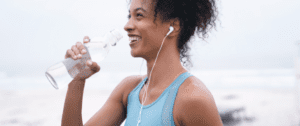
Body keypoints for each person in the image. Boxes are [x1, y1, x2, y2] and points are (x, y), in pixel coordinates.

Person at [61, 0, 223, 125]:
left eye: (139, 15)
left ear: (173, 26)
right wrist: (77, 80)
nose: (127, 26)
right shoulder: (129, 91)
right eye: (129, 16)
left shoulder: (192, 99)